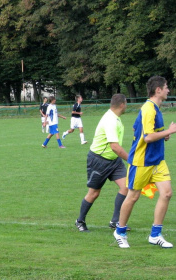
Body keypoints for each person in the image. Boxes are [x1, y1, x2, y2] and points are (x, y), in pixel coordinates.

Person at [114, 76, 176, 249]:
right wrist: (168, 131)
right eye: (166, 87)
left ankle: (155, 235)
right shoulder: (149, 109)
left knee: (166, 193)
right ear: (158, 90)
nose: (168, 90)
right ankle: (120, 231)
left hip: (157, 161)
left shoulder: (154, 108)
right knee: (132, 196)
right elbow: (147, 138)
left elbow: (137, 128)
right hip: (142, 161)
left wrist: (164, 134)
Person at [75, 94, 128, 232]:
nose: (126, 106)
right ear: (122, 104)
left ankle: (115, 221)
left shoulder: (115, 117)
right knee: (94, 193)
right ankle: (80, 220)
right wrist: (132, 160)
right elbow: (114, 146)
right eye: (126, 104)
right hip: (99, 160)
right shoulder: (110, 120)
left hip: (113, 160)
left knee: (126, 187)